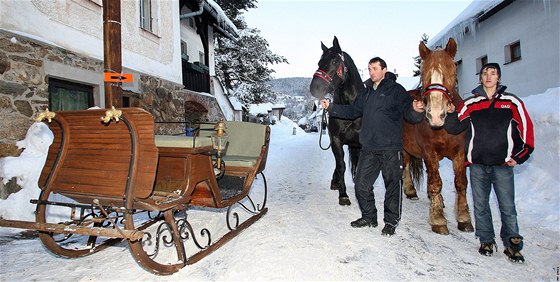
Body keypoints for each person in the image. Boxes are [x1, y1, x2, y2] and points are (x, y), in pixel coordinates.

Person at [321, 57, 424, 236]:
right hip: (369, 148)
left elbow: (409, 113)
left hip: (390, 148)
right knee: (361, 184)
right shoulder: (366, 92)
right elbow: (353, 111)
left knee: (392, 186)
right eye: (369, 69)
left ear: (384, 70)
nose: (372, 72)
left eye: (375, 68)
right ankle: (369, 216)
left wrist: (416, 109)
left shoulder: (396, 90)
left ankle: (391, 222)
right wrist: (331, 108)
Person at [443, 63, 534, 263]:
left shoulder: (511, 102)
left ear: (498, 78)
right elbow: (454, 127)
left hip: (502, 165)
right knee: (481, 205)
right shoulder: (470, 103)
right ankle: (486, 240)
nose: (488, 77)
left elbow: (525, 129)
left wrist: (520, 155)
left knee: (507, 206)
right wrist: (450, 113)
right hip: (477, 165)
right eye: (485, 73)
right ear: (480, 78)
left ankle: (512, 245)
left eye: (493, 73)